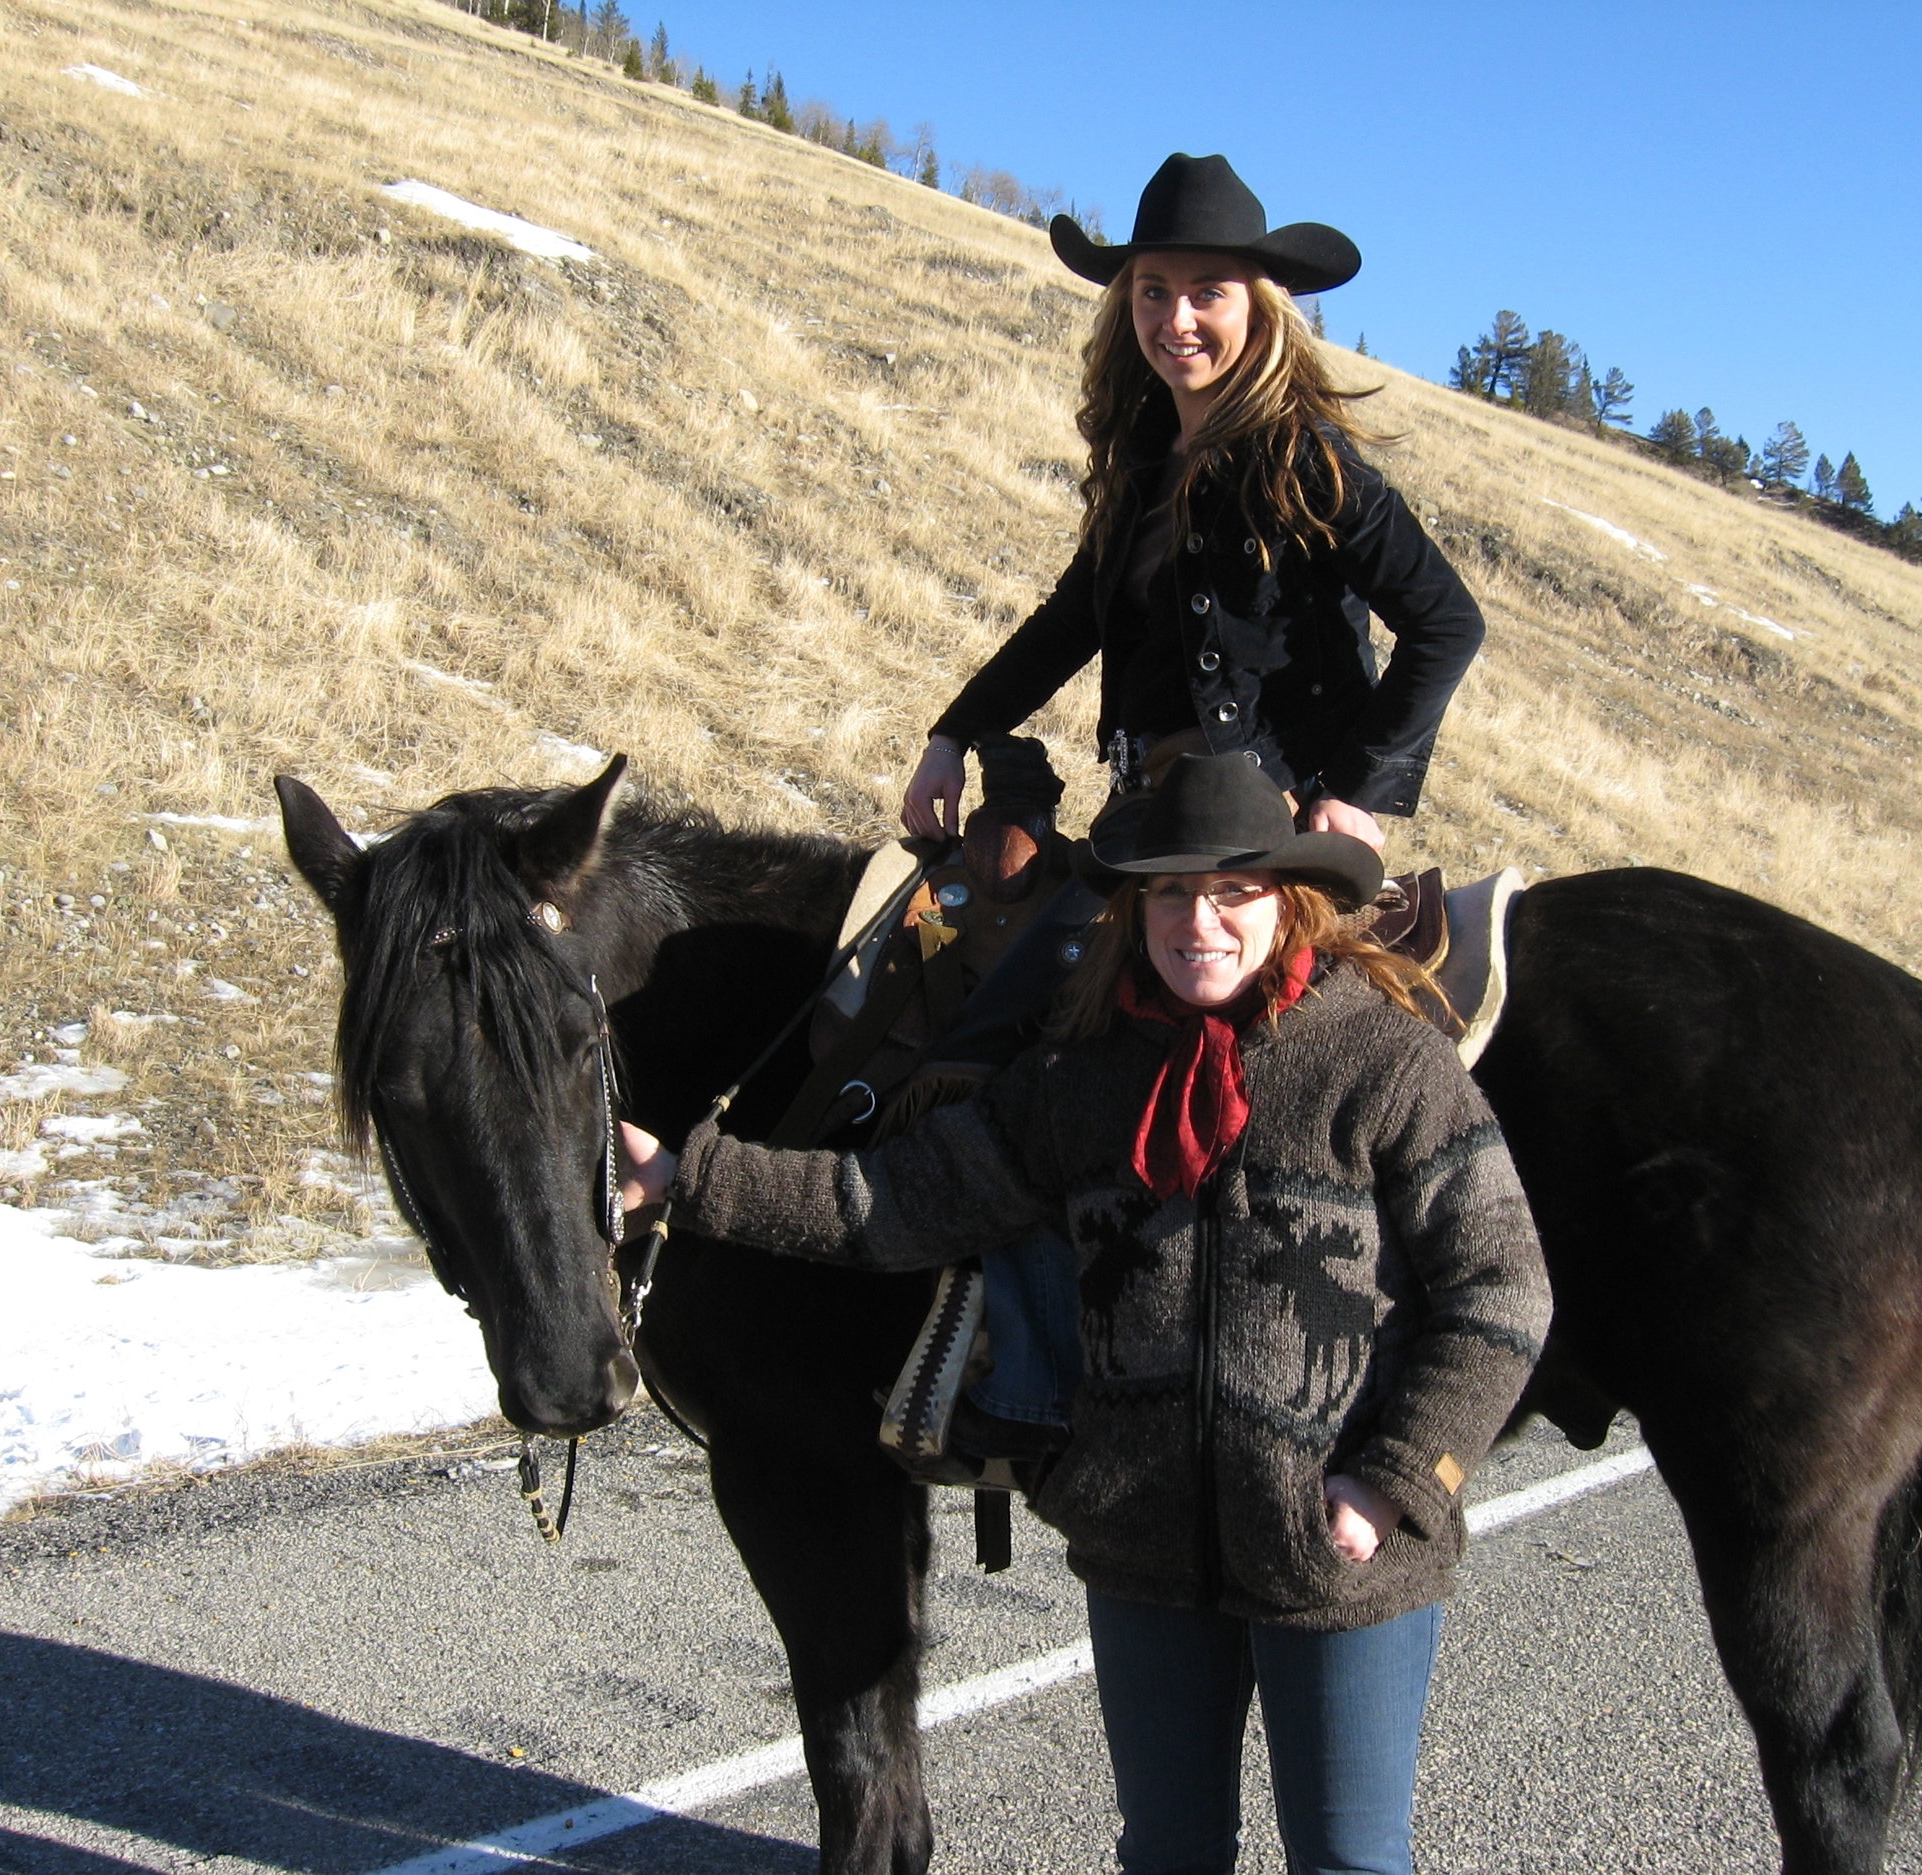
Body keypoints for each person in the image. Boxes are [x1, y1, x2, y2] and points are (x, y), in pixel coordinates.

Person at [618, 753, 1550, 1875]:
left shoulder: (1386, 1065)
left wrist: (1396, 1480)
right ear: (1134, 907)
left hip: (1339, 1555)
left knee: (1348, 1862)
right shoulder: (1083, 1076)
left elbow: (1500, 1291)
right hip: (1147, 1551)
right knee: (1163, 1856)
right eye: (1169, 892)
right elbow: (895, 1203)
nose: (1197, 923)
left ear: (1288, 902)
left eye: (1232, 893)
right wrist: (693, 1179)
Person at [894, 153, 1492, 1453]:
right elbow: (1068, 624)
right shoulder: (1142, 458)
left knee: (1026, 1038)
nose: (1177, 318)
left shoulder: (1302, 454)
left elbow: (1447, 621)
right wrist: (954, 733)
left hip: (1263, 838)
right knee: (981, 998)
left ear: (1262, 301)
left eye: (1207, 291)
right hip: (1155, 816)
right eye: (1153, 291)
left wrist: (1361, 799)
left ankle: (1036, 1387)